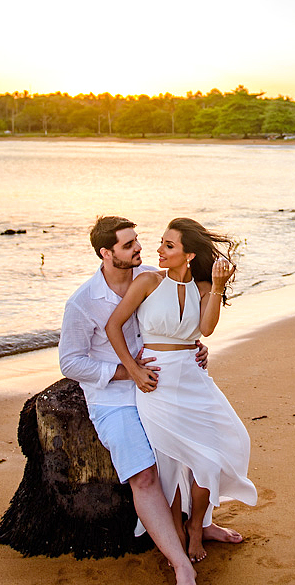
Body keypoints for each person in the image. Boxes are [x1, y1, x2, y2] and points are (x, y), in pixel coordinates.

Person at [58, 216, 241, 585]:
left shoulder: (151, 275)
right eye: (129, 245)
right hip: (114, 398)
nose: (140, 249)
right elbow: (71, 364)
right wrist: (127, 371)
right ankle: (181, 564)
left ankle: (201, 525)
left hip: (162, 384)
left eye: (139, 242)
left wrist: (192, 347)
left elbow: (181, 321)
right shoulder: (82, 302)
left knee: (190, 455)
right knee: (145, 475)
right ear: (107, 254)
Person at [104, 217, 257, 566]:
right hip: (156, 383)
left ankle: (198, 526)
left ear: (188, 255)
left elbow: (206, 328)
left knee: (213, 454)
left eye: (168, 245)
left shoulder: (203, 287)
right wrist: (132, 368)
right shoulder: (146, 282)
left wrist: (218, 286)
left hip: (194, 379)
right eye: (160, 242)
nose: (158, 249)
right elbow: (113, 325)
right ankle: (177, 532)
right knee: (169, 463)